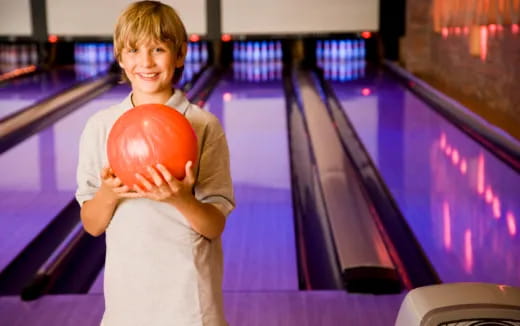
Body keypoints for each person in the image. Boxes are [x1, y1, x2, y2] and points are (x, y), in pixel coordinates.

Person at [75, 1, 235, 325]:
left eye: (158, 49)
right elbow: (92, 225)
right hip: (126, 310)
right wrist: (110, 192)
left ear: (179, 55)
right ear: (120, 57)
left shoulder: (203, 125)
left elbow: (215, 226)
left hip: (191, 308)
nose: (145, 62)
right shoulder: (101, 127)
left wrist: (182, 199)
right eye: (133, 50)